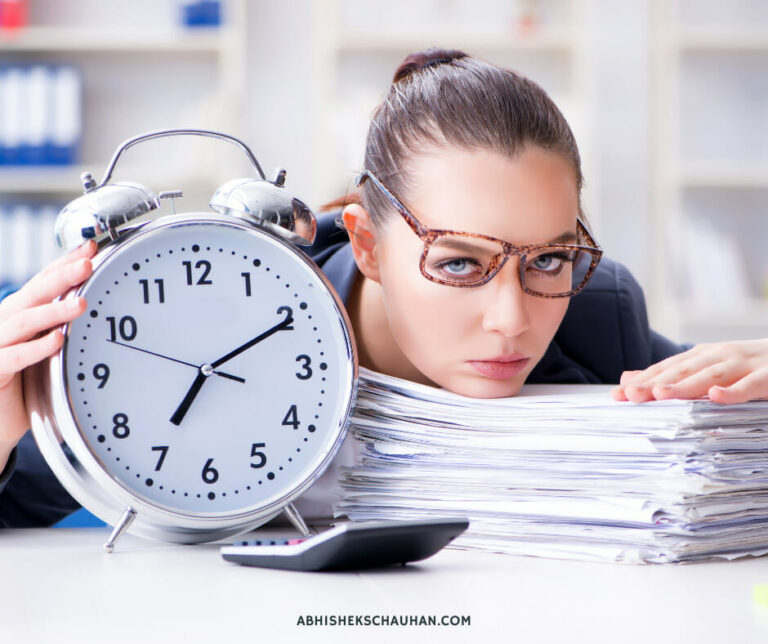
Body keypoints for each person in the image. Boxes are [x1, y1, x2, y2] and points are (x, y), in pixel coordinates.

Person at [1, 48, 767, 527]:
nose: (511, 322)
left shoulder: (601, 318)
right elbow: (22, 503)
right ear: (365, 241)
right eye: (460, 262)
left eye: (548, 261)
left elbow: (723, 448)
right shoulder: (220, 328)